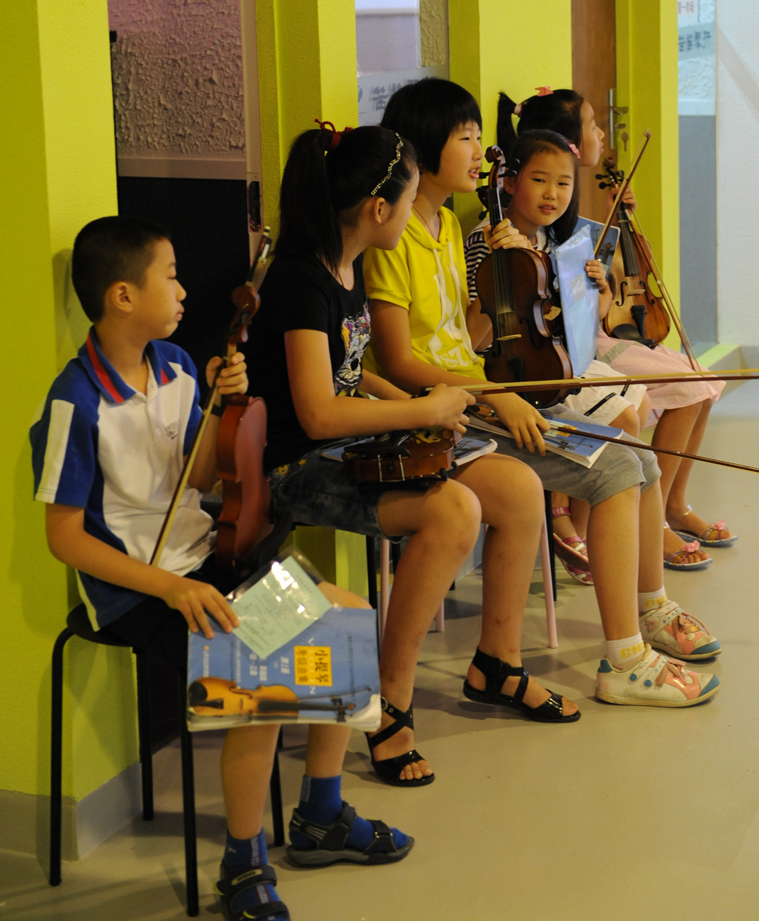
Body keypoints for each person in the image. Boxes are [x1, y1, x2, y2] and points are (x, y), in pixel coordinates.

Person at [32, 218, 412, 921]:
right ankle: (242, 860)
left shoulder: (177, 365)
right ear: (122, 295)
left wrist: (218, 409)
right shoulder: (74, 401)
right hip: (138, 592)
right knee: (267, 670)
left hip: (206, 561)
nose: (183, 290)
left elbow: (202, 477)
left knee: (349, 616)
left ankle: (321, 814)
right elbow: (64, 539)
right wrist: (172, 587)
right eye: (170, 276)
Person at [245, 124, 579, 792]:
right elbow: (318, 414)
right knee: (453, 512)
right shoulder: (300, 279)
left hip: (350, 443)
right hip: (298, 465)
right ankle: (390, 701)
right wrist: (420, 411)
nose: (412, 210)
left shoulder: (345, 264)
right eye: (407, 198)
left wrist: (418, 405)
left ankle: (497, 662)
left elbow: (348, 370)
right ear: (378, 209)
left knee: (516, 489)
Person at [367, 79, 720, 708]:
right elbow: (398, 361)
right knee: (618, 467)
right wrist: (495, 395)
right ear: (424, 144)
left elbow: (469, 335)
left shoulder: (444, 227)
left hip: (480, 395)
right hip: (451, 409)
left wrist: (501, 284)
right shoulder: (395, 237)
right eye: (466, 137)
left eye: (479, 135)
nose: (481, 150)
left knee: (637, 459)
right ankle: (625, 657)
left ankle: (650, 608)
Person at [498, 89, 733, 570]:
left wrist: (600, 281)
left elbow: (598, 299)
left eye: (561, 182)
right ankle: (638, 519)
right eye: (592, 124)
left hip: (583, 337)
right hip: (571, 349)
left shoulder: (563, 223)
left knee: (700, 382)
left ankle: (669, 505)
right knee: (685, 388)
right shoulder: (519, 234)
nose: (601, 134)